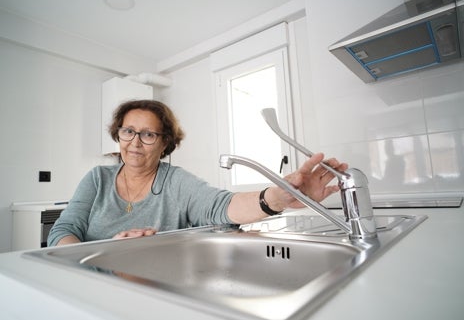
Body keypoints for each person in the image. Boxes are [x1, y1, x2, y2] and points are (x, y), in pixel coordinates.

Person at [47, 100, 348, 246]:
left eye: (148, 134)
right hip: (89, 282)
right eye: (129, 131)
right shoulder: (96, 179)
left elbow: (220, 206)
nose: (136, 142)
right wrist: (100, 252)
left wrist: (278, 198)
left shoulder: (176, 182)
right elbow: (62, 231)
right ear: (119, 134)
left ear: (165, 142)